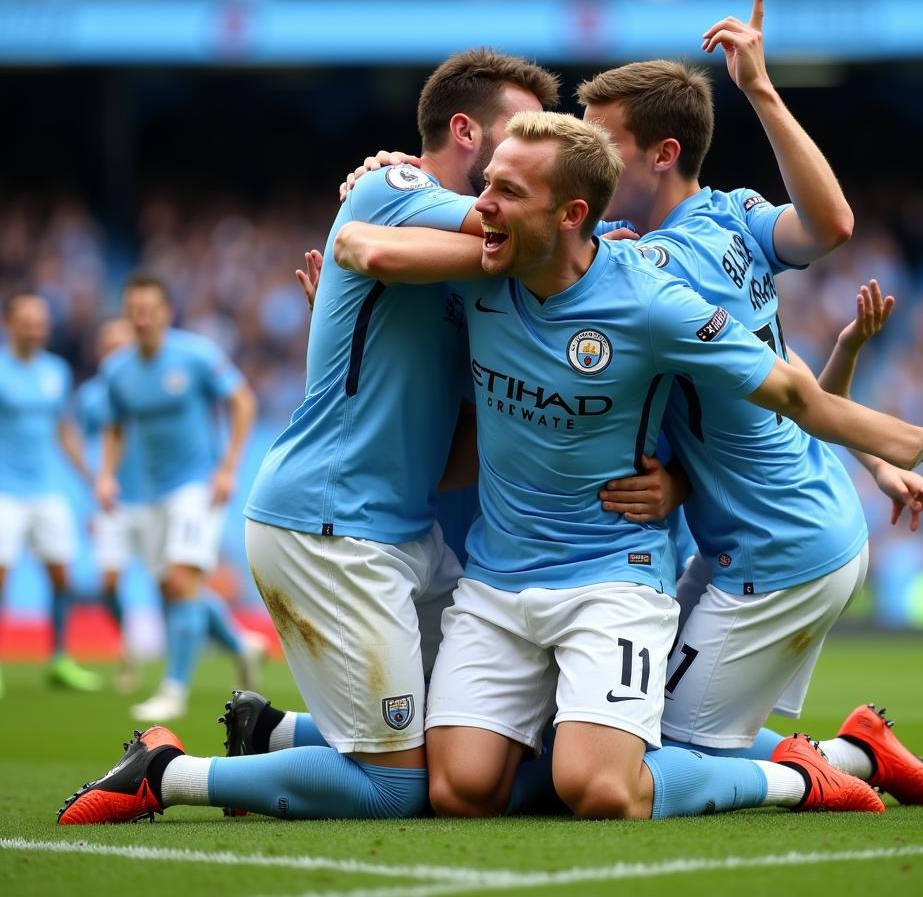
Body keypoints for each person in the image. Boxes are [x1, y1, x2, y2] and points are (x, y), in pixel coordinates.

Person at [327, 111, 923, 820]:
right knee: (461, 793)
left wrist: (917, 442)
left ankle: (801, 779)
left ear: (571, 213)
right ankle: (843, 755)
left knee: (600, 790)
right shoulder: (483, 268)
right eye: (485, 183)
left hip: (613, 579)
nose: (480, 205)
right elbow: (357, 244)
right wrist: (388, 176)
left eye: (506, 191)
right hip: (497, 580)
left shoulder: (650, 298)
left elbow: (791, 389)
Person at [57, 48, 561, 826]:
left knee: (476, 740)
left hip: (401, 530)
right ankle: (170, 772)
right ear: (465, 131)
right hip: (331, 527)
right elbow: (524, 232)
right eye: (520, 131)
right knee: (399, 788)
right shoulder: (394, 186)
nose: (535, 148)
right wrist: (589, 223)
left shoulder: (462, 267)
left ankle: (272, 730)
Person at [578, 0, 923, 804]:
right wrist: (870, 456)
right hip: (774, 523)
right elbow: (776, 356)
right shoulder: (727, 220)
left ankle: (834, 776)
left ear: (662, 154)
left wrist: (760, 87)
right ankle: (856, 745)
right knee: (631, 721)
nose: (587, 157)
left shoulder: (660, 262)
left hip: (777, 548)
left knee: (650, 769)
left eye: (601, 143)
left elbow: (831, 225)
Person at [94, 274, 259, 721]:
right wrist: (106, 475)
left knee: (182, 583)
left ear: (166, 312)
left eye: (149, 309)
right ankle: (241, 644)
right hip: (147, 493)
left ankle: (173, 691)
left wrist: (228, 468)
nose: (142, 318)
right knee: (172, 588)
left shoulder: (196, 355)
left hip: (196, 486)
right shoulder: (118, 371)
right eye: (134, 310)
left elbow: (243, 401)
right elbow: (113, 425)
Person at [0, 290, 101, 696]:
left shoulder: (56, 371)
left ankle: (59, 658)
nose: (35, 327)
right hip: (5, 490)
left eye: (40, 320)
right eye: (27, 320)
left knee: (62, 575)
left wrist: (90, 478)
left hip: (46, 490)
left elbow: (64, 430)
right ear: (10, 324)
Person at [75, 317, 145, 692]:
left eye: (125, 344)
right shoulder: (91, 397)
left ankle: (235, 644)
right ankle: (127, 651)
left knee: (176, 585)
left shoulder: (147, 384)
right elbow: (87, 447)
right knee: (108, 582)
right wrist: (93, 494)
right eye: (111, 345)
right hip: (114, 502)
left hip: (155, 499)